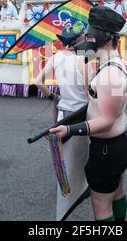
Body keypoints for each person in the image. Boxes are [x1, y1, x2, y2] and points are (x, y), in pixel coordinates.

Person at [50, 6, 127, 221]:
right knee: (116, 192)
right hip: (119, 141)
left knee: (101, 206)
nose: (86, 38)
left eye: (91, 34)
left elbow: (106, 120)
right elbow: (99, 102)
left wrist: (69, 129)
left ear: (106, 37)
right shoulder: (115, 62)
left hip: (108, 148)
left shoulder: (110, 74)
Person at [34, 26, 88, 221]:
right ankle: (81, 191)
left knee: (64, 160)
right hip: (82, 115)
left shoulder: (57, 57)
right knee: (83, 158)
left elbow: (38, 81)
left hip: (63, 114)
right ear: (78, 40)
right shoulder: (84, 59)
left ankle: (65, 198)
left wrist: (54, 98)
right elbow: (89, 93)